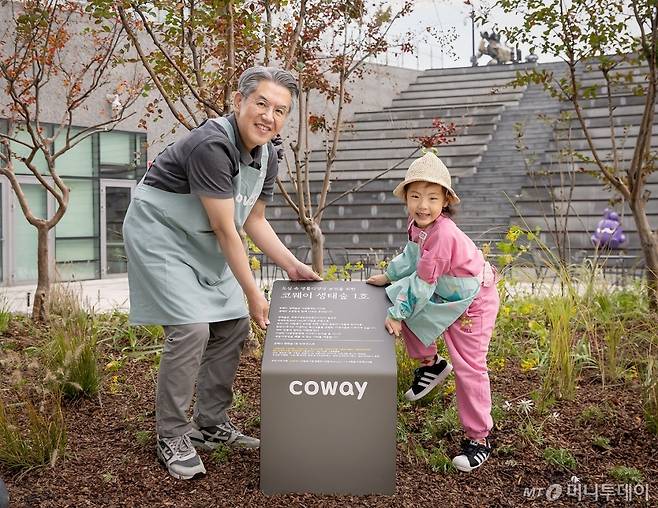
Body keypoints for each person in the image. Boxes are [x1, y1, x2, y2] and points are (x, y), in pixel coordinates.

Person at [123, 66, 321, 480]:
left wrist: (292, 265)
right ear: (238, 102)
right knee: (191, 328)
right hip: (160, 234)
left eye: (280, 110)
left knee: (231, 325)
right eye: (261, 103)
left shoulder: (269, 153)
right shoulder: (211, 145)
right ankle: (171, 434)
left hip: (200, 236)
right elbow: (225, 229)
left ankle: (210, 425)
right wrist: (255, 294)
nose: (269, 116)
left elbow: (255, 220)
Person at [367, 151, 499, 472]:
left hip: (473, 300)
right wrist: (390, 276)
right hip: (445, 289)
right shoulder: (418, 225)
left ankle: (478, 439)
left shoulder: (443, 234)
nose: (422, 205)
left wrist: (398, 313)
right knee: (397, 293)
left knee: (469, 366)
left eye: (431, 197)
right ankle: (431, 364)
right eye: (415, 196)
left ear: (445, 202)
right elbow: (411, 258)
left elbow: (423, 286)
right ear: (407, 199)